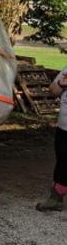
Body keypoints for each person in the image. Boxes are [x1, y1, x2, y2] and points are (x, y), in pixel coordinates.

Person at [36, 67, 67, 212]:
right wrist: (61, 84)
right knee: (62, 159)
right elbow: (53, 90)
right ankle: (56, 198)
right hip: (64, 125)